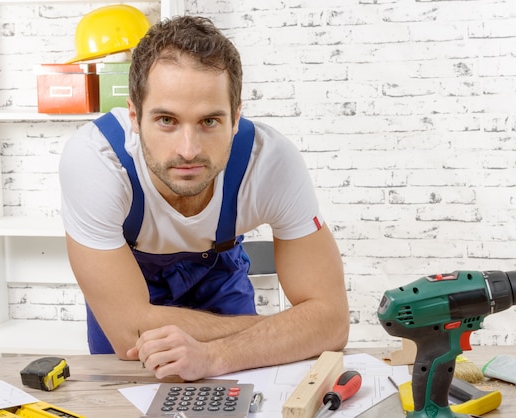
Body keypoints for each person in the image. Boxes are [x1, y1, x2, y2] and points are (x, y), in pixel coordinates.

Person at [59, 15, 349, 381]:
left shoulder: (270, 162)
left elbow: (332, 322)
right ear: (134, 114)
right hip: (130, 284)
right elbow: (128, 331)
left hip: (219, 280)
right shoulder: (97, 160)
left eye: (209, 122)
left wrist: (216, 356)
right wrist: (282, 332)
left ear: (236, 117)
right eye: (166, 120)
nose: (188, 150)